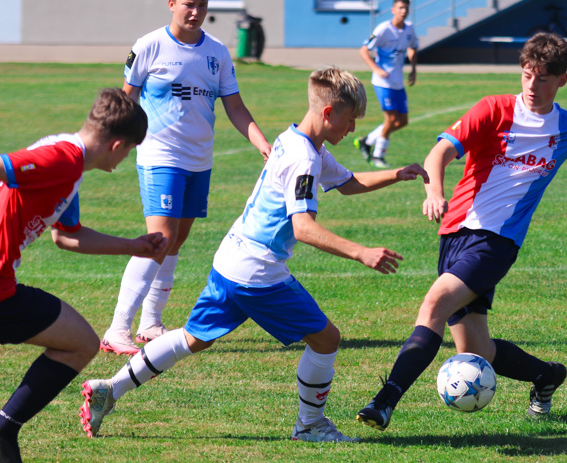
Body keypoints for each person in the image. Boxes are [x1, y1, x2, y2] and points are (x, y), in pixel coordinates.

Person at [356, 32, 567, 431]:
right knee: (474, 348)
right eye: (528, 75)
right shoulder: (493, 109)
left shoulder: (566, 128)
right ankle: (547, 375)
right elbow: (441, 151)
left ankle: (385, 401)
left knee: (434, 305)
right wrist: (435, 192)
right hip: (454, 232)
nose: (533, 85)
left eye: (544, 78)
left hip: (496, 243)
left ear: (562, 80)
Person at [80, 68, 429, 443]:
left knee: (194, 338)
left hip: (232, 258)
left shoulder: (298, 141)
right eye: (350, 119)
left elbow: (346, 183)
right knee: (326, 339)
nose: (352, 128)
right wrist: (361, 252)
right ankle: (310, 426)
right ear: (328, 113)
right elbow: (303, 229)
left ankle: (109, 389)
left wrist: (398, 173)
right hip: (258, 272)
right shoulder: (304, 159)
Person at [0, 89, 168, 463]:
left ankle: (5, 430)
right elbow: (6, 166)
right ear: (116, 145)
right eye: (128, 151)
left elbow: (67, 236)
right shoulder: (63, 158)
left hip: (5, 286)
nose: (124, 159)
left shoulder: (69, 168)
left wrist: (135, 246)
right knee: (79, 343)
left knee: (80, 341)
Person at [100, 0, 271, 356]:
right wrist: (118, 144)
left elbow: (235, 106)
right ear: (172, 3)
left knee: (176, 241)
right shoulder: (149, 46)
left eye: (202, 5)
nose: (195, 12)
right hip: (160, 156)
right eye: (188, 4)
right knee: (157, 239)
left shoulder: (217, 53)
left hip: (199, 160)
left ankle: (150, 323)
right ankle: (117, 329)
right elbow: (126, 101)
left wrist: (262, 142)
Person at [354, 0, 419, 169]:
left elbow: (413, 47)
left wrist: (413, 68)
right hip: (383, 82)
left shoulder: (409, 29)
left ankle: (367, 140)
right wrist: (376, 69)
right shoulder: (383, 29)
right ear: (393, 10)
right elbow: (363, 50)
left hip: (398, 81)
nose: (403, 11)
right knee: (390, 118)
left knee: (402, 121)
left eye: (406, 8)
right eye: (400, 8)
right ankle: (377, 155)